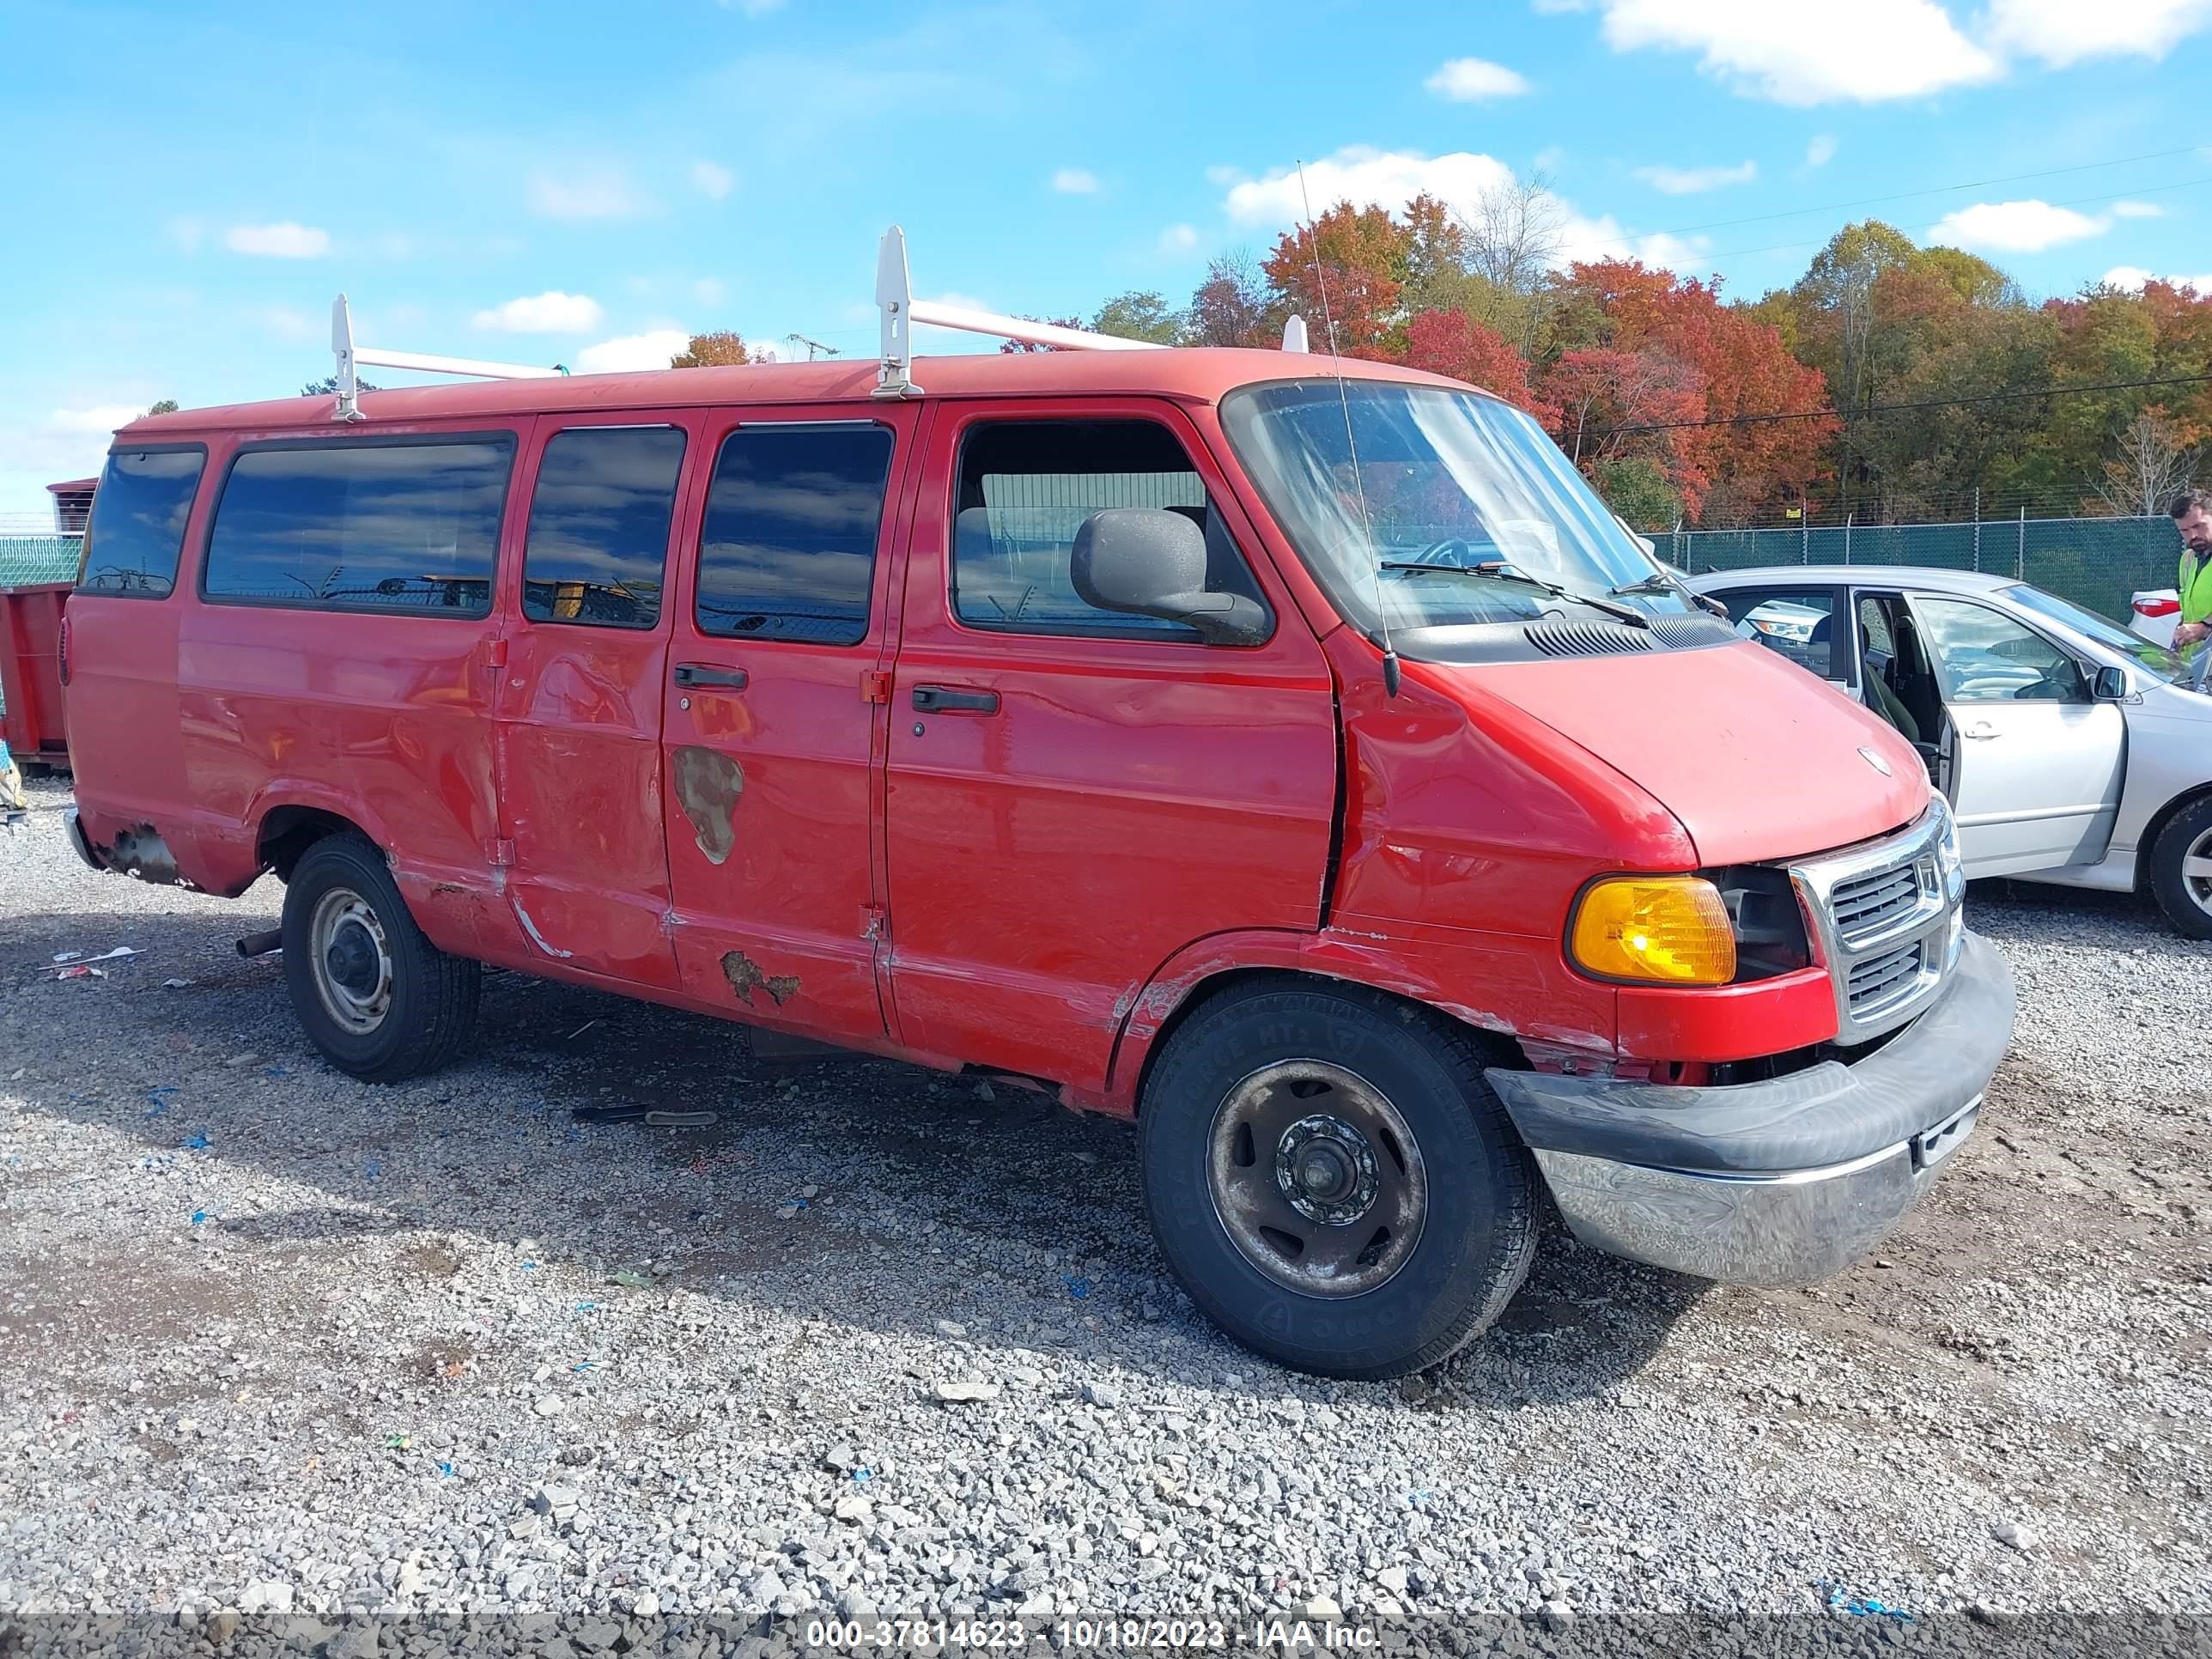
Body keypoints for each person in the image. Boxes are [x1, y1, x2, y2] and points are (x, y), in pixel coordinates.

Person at [2171, 486, 2212, 652]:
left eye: (2198, 526)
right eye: (2185, 530)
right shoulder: (2188, 559)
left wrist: (2205, 627)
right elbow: (2188, 612)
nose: (2193, 535)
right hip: (2196, 668)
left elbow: (2200, 627)